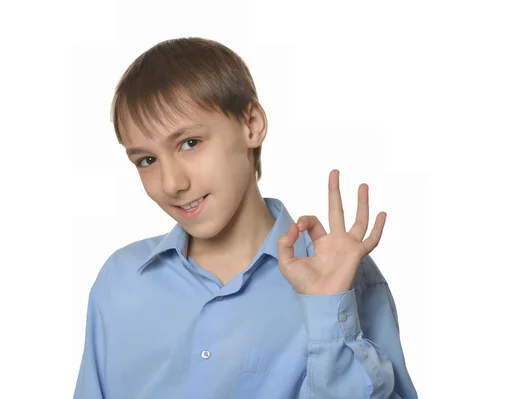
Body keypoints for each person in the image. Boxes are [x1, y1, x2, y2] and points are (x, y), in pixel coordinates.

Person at [73, 37, 417, 399]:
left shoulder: (342, 273)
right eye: (147, 160)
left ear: (251, 124)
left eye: (190, 142)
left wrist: (328, 313)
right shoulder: (121, 283)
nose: (172, 183)